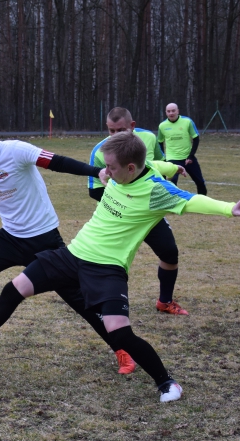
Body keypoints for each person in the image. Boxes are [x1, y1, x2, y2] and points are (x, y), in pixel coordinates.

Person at [0, 131, 240, 403]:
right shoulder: (122, 174)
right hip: (71, 255)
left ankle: (166, 381)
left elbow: (191, 201)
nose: (105, 174)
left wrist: (229, 206)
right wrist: (154, 166)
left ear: (130, 168)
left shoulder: (155, 191)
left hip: (107, 269)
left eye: (110, 168)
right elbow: (151, 164)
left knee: (120, 332)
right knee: (15, 289)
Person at [0, 116, 137, 375]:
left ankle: (123, 349)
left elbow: (58, 162)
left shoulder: (17, 151)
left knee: (79, 298)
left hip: (44, 238)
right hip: (9, 238)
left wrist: (95, 171)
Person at [90, 107, 191, 316]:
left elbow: (156, 164)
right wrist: (125, 201)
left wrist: (170, 170)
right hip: (120, 215)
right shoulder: (100, 151)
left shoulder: (149, 139)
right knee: (108, 261)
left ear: (132, 126)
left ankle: (165, 301)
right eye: (111, 131)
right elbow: (95, 190)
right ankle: (100, 305)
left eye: (121, 130)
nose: (116, 136)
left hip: (147, 212)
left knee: (169, 252)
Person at [157, 103, 206, 195]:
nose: (171, 113)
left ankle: (203, 204)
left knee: (200, 182)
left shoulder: (187, 122)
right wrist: (164, 158)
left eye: (173, 110)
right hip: (172, 158)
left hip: (188, 158)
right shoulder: (162, 126)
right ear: (166, 113)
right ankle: (174, 204)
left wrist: (191, 156)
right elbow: (159, 142)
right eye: (168, 111)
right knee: (172, 182)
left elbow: (196, 138)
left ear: (178, 111)